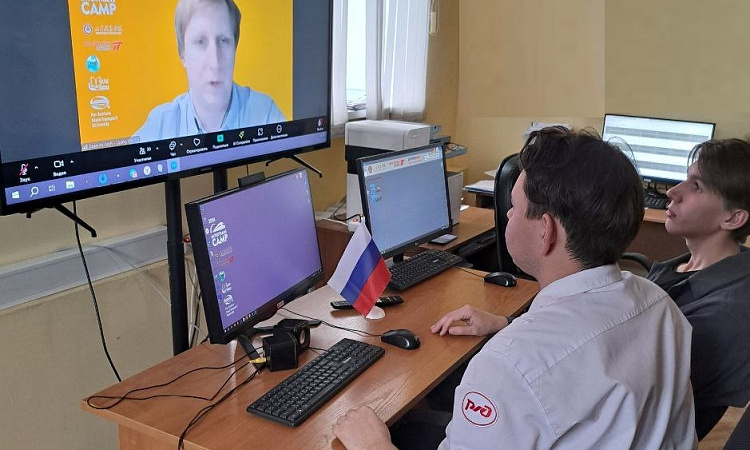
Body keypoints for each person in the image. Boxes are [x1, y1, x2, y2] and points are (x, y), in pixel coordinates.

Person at [332, 127, 696, 449]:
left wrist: (372, 444)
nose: (507, 214)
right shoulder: (659, 304)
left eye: (514, 206)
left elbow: (546, 363)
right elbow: (584, 346)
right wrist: (505, 324)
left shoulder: (508, 365)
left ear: (546, 231)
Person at [647, 138, 750, 440]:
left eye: (697, 186)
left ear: (733, 218)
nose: (672, 192)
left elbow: (643, 394)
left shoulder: (725, 315)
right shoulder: (683, 267)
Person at [134, 0, 285, 142]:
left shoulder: (266, 114)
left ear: (235, 48)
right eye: (200, 41)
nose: (215, 62)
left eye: (223, 40)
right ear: (182, 53)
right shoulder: (159, 126)